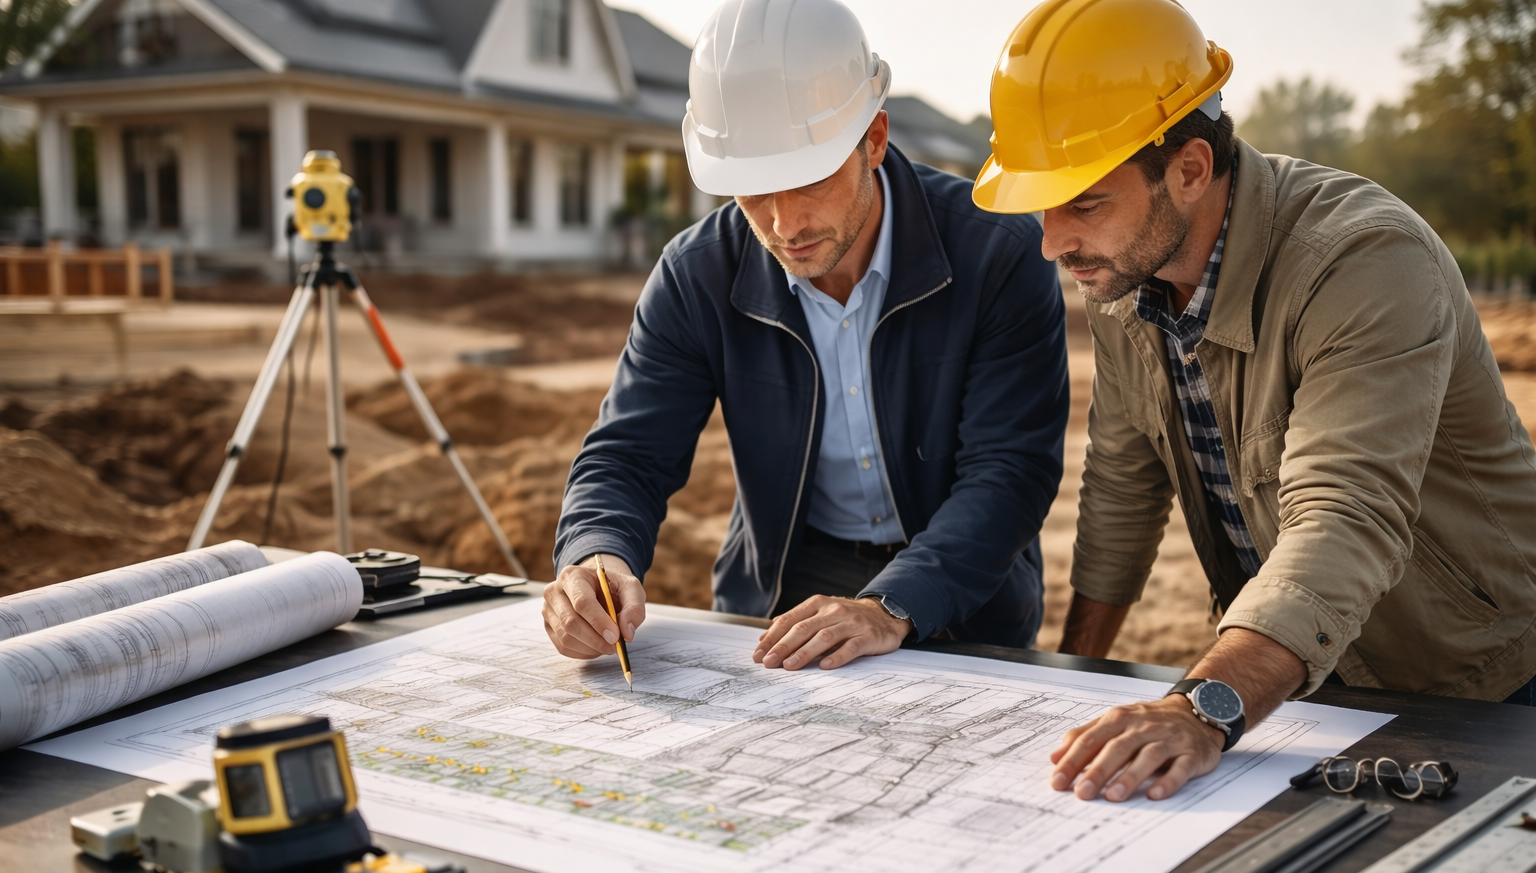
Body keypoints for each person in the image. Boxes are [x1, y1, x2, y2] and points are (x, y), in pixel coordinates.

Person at [973, 0, 1536, 802]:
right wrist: (1078, 677)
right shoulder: (1122, 278)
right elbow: (1124, 488)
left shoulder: (1363, 260)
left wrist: (1202, 709)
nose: (1052, 242)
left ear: (1191, 169)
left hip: (1479, 676)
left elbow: (1345, 513)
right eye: (1043, 205)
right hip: (1297, 679)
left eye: (1085, 203)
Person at [542, 0, 1068, 672]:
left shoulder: (995, 251)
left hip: (965, 594)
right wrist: (596, 553)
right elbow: (628, 455)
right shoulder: (696, 273)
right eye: (753, 190)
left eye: (808, 180)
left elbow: (1009, 473)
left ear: (873, 139)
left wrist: (892, 605)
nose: (785, 223)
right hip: (781, 587)